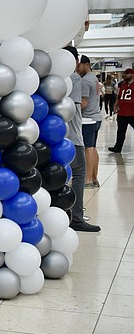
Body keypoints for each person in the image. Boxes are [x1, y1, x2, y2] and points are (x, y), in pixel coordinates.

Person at [62, 47, 101, 232]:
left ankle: (62, 214)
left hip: (53, 137)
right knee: (78, 176)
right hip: (73, 137)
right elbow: (76, 107)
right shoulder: (75, 78)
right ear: (76, 60)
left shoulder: (50, 77)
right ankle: (76, 218)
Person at [76, 55, 102, 188]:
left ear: (86, 64)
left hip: (88, 119)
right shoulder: (94, 78)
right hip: (96, 118)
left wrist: (74, 110)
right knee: (93, 148)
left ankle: (87, 180)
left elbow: (84, 102)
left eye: (79, 65)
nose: (77, 67)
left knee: (88, 148)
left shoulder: (85, 80)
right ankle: (94, 178)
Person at [109, 68, 134, 153]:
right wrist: (115, 104)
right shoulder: (123, 85)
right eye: (125, 74)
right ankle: (118, 147)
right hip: (122, 112)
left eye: (127, 74)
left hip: (132, 113)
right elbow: (119, 96)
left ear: (132, 74)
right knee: (120, 131)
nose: (125, 75)